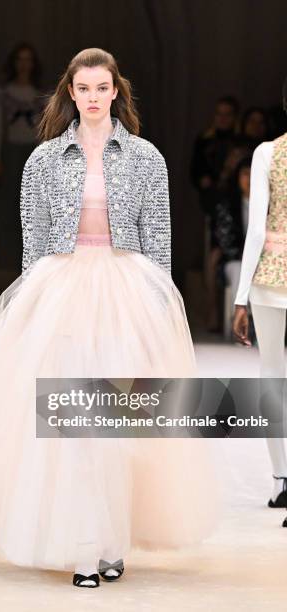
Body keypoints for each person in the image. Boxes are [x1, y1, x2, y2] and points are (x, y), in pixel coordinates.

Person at [0, 48, 220, 589]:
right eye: (83, 89)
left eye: (102, 88)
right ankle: (85, 546)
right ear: (70, 94)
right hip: (62, 288)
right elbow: (34, 243)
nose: (93, 98)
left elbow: (159, 236)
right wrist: (33, 306)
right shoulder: (42, 161)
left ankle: (110, 542)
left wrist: (159, 306)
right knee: (71, 424)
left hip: (127, 288)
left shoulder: (146, 158)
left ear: (116, 92)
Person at [233, 76, 287, 520]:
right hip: (272, 276)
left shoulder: (269, 153)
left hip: (273, 275)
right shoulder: (266, 153)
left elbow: (256, 229)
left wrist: (239, 296)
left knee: (273, 375)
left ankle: (281, 479)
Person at [0, 42, 44, 273]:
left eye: (28, 59)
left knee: (30, 205)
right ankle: (2, 255)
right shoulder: (5, 93)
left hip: (31, 151)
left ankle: (30, 255)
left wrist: (41, 159)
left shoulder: (38, 95)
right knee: (7, 203)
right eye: (20, 59)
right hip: (10, 151)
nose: (24, 64)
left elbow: (41, 129)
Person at [190, 96, 240, 332]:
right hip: (215, 205)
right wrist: (207, 182)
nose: (223, 119)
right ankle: (213, 310)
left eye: (227, 114)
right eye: (219, 113)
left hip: (237, 202)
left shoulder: (239, 141)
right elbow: (196, 172)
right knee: (214, 254)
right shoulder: (205, 140)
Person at [213, 157, 252, 333]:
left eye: (253, 173)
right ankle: (243, 321)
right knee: (238, 270)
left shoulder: (271, 205)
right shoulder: (228, 205)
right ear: (238, 177)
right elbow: (225, 240)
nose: (249, 179)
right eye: (245, 174)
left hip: (264, 260)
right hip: (235, 259)